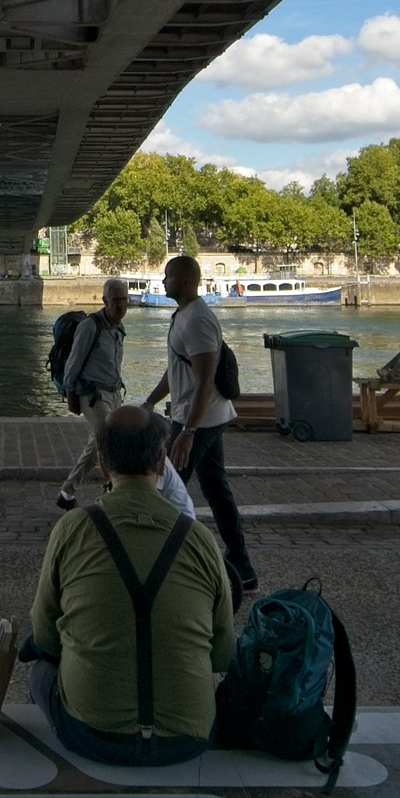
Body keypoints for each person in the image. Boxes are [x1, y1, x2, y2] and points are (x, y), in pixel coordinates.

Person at [17, 404, 238, 768]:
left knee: (40, 669)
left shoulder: (72, 530)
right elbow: (221, 653)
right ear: (161, 461)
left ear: (102, 464)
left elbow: (45, 634)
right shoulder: (199, 540)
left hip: (91, 735)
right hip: (188, 738)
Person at [137, 253, 257, 600]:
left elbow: (204, 382)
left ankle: (159, 565)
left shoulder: (198, 321)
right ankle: (242, 566)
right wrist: (150, 401)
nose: (162, 281)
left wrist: (188, 433)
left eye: (168, 276)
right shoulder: (183, 317)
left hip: (198, 421)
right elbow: (178, 370)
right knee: (216, 490)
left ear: (187, 280)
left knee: (167, 489)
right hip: (198, 418)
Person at [53, 279, 131, 510]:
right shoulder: (90, 326)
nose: (121, 305)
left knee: (97, 443)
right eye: (116, 300)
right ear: (105, 301)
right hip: (92, 394)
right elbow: (74, 363)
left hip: (114, 394)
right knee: (106, 442)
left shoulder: (119, 328)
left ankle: (67, 493)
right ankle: (112, 489)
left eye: (124, 300)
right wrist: (71, 395)